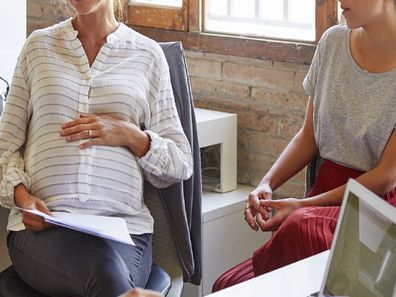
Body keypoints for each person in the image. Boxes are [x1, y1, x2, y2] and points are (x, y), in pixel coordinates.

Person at [0, 0, 193, 296]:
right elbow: (4, 148)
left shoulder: (148, 56)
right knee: (105, 274)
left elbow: (180, 163)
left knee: (106, 268)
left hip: (125, 232)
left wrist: (130, 135)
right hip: (42, 232)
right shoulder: (38, 47)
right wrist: (22, 197)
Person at [212, 0, 396, 292]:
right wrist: (266, 184)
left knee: (299, 227)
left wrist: (302, 206)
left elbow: (386, 176)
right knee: (225, 285)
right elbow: (308, 137)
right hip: (322, 198)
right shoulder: (332, 43)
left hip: (377, 213)